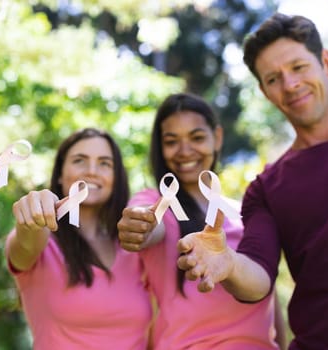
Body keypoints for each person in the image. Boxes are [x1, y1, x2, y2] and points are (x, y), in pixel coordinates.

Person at [177, 12, 328, 349]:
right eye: (273, 78)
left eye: (298, 67)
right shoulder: (267, 188)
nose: (290, 84)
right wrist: (228, 263)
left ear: (325, 62)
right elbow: (258, 276)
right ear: (263, 90)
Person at [117, 92, 286, 349]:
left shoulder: (246, 213)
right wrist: (141, 224)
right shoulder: (159, 201)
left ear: (217, 137)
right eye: (172, 141)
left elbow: (268, 295)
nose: (185, 151)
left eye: (197, 137)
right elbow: (149, 220)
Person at [5, 127, 152, 349]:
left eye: (105, 163)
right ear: (61, 174)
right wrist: (32, 217)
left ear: (116, 178)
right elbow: (26, 242)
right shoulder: (44, 244)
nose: (92, 171)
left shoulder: (135, 248)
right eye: (79, 160)